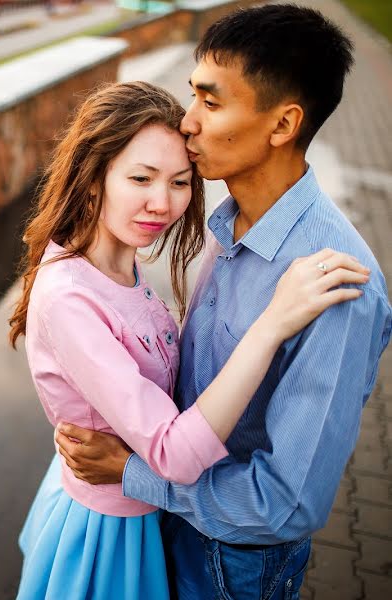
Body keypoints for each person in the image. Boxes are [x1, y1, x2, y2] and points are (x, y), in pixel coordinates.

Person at [54, 5, 392, 600]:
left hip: (233, 564)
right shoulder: (230, 223)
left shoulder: (336, 286)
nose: (186, 123)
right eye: (193, 97)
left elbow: (287, 504)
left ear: (282, 125)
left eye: (210, 103)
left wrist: (134, 473)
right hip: (171, 522)